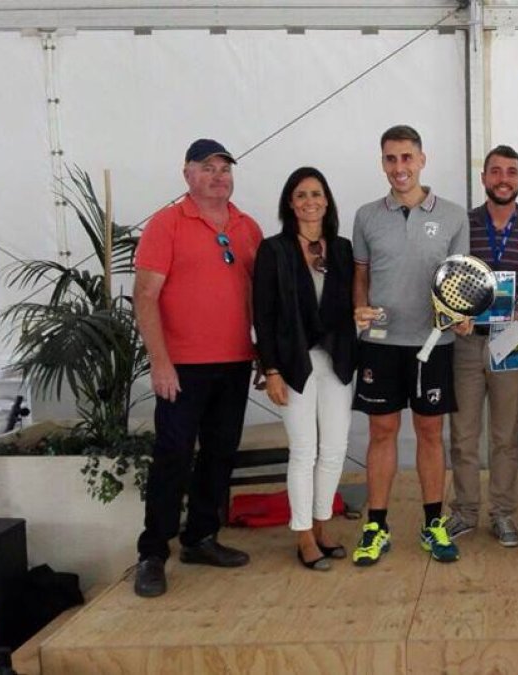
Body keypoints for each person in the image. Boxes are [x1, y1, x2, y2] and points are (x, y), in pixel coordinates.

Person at [133, 138, 262, 598]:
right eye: (207, 168)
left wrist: (262, 353)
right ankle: (152, 553)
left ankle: (201, 537)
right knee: (172, 456)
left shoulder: (248, 227)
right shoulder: (166, 224)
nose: (218, 176)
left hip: (233, 363)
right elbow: (145, 295)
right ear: (187, 174)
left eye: (225, 168)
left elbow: (258, 298)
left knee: (219, 454)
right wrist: (160, 361)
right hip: (182, 368)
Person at [350, 124, 471, 566]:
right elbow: (360, 274)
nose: (399, 168)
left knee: (428, 434)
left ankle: (433, 523)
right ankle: (376, 526)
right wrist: (359, 310)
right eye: (390, 159)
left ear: (422, 159)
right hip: (380, 344)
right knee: (381, 432)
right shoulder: (366, 216)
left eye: (406, 158)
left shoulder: (455, 216)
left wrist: (460, 319)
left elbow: (459, 282)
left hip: (432, 343)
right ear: (382, 162)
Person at [253, 167, 357, 572]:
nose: (309, 201)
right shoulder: (273, 250)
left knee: (333, 449)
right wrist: (271, 370)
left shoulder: (343, 249)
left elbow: (352, 303)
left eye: (316, 193)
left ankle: (321, 526)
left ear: (327, 201)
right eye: (301, 195)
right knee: (304, 450)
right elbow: (262, 315)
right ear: (290, 204)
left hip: (336, 361)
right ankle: (302, 535)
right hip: (293, 363)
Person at [445, 145, 518, 547]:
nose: (503, 178)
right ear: (484, 178)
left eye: (511, 172)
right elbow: (446, 277)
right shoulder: (461, 223)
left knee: (507, 435)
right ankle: (465, 511)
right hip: (468, 342)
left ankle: (503, 513)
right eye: (495, 171)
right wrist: (452, 312)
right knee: (463, 433)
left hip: (514, 342)